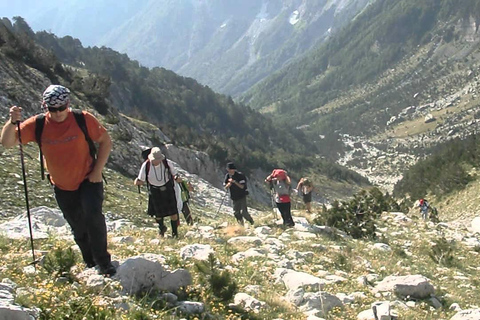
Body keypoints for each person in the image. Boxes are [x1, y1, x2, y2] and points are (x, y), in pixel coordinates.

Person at [0, 85, 116, 276]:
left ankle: (104, 263)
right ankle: (89, 262)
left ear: (68, 104)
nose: (58, 113)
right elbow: (7, 143)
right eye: (53, 109)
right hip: (62, 185)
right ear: (45, 107)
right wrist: (12, 122)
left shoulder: (82, 119)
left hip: (89, 179)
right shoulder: (37, 125)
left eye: (62, 108)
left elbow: (105, 141)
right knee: (77, 226)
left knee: (93, 216)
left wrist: (97, 171)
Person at [134, 147, 181, 238]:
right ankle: (161, 228)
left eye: (159, 159)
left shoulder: (166, 163)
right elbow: (141, 180)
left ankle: (175, 233)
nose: (157, 161)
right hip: (154, 190)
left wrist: (176, 178)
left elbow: (174, 174)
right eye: (156, 160)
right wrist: (137, 182)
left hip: (167, 188)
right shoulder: (146, 165)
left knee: (173, 213)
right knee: (157, 214)